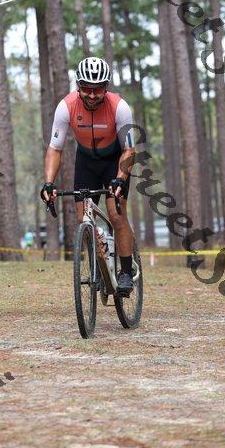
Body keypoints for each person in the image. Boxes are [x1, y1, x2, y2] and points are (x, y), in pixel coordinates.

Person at [40, 56, 136, 295]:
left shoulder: (119, 107)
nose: (92, 95)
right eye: (86, 89)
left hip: (115, 162)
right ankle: (98, 264)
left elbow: (129, 150)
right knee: (82, 218)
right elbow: (55, 149)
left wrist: (120, 178)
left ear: (106, 87)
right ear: (78, 86)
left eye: (98, 89)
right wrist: (49, 183)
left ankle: (126, 272)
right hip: (86, 162)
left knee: (116, 216)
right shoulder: (66, 107)